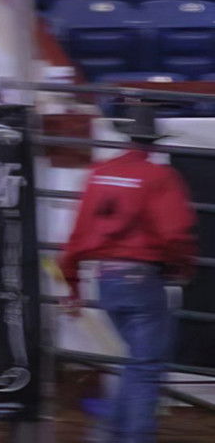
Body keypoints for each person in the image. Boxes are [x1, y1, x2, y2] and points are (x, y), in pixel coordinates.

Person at [59, 104, 198, 443]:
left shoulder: (99, 172)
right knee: (146, 366)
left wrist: (73, 284)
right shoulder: (159, 177)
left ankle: (108, 434)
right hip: (141, 280)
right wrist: (182, 266)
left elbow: (77, 236)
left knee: (137, 362)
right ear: (154, 142)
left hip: (105, 280)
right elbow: (175, 233)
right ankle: (129, 436)